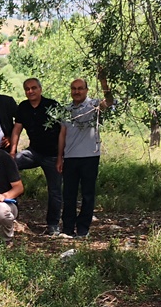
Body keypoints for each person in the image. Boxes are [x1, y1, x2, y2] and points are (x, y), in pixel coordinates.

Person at [57, 69, 113, 238]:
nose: (77, 91)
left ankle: (83, 229)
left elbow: (109, 102)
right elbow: (62, 134)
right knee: (69, 195)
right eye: (74, 88)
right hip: (70, 157)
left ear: (86, 90)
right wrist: (60, 157)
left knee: (88, 194)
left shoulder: (94, 106)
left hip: (90, 156)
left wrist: (103, 81)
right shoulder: (66, 110)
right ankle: (67, 228)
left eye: (80, 88)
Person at [10, 78, 65, 236]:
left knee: (55, 191)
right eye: (27, 89)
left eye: (34, 88)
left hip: (53, 155)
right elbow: (16, 130)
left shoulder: (52, 105)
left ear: (40, 89)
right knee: (8, 166)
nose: (30, 91)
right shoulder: (23, 107)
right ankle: (7, 211)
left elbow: (63, 131)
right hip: (33, 152)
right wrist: (12, 153)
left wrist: (61, 156)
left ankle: (53, 225)